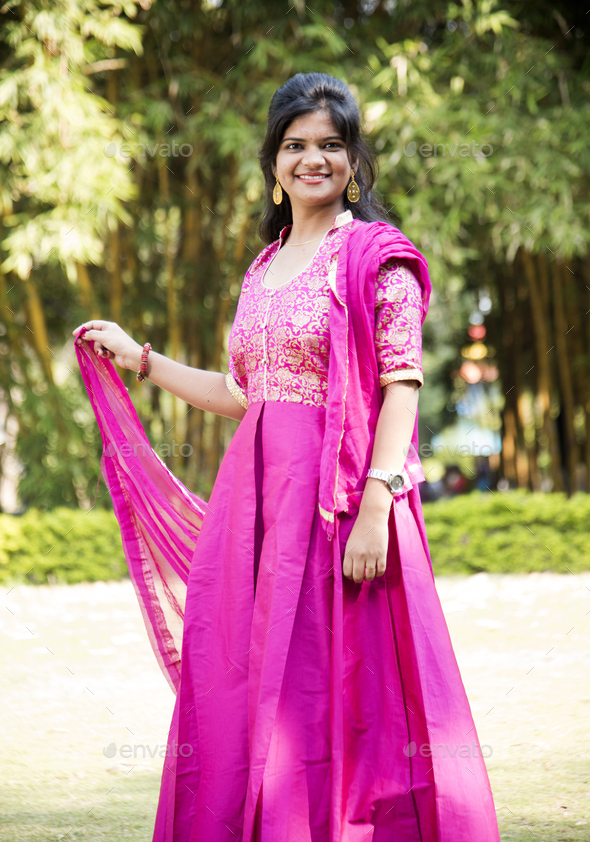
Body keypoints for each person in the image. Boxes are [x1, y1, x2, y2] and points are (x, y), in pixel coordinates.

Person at [73, 73, 500, 842]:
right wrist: (140, 358)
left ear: (353, 159)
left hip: (344, 504)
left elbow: (401, 385)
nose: (313, 160)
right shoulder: (262, 267)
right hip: (260, 511)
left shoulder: (377, 258)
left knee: (343, 689)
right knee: (252, 689)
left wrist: (378, 504)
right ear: (273, 162)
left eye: (331, 145)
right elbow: (245, 395)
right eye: (296, 146)